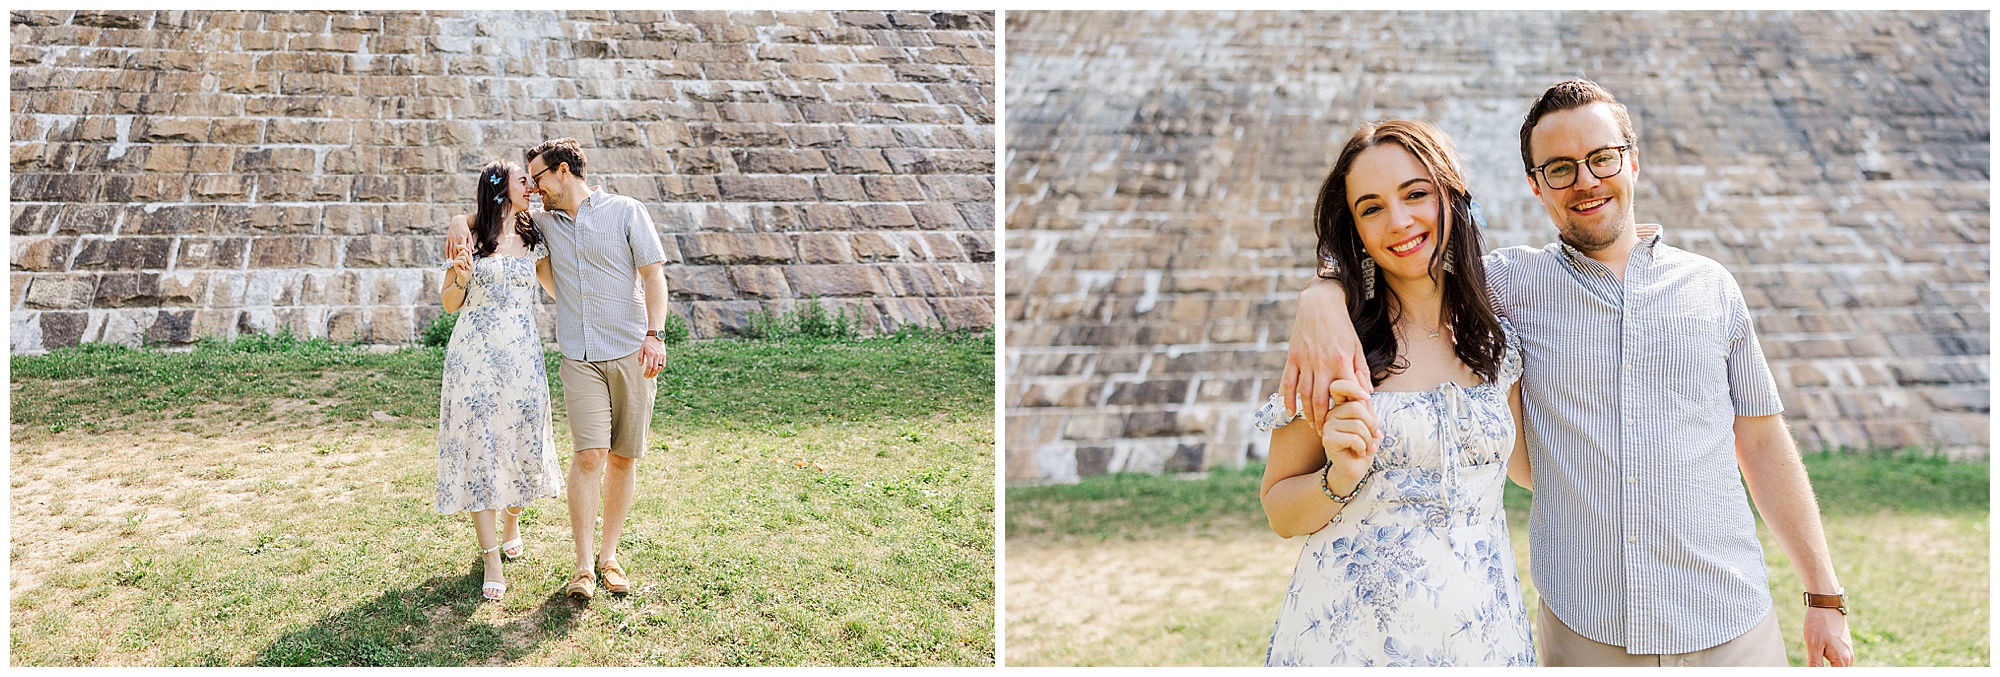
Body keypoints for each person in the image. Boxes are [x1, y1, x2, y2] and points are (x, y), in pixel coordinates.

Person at [1278, 79, 1855, 667]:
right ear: (1535, 185)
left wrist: (1823, 594)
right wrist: (1321, 294)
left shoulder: (1713, 289)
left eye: (1602, 158)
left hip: (1730, 619)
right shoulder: (1503, 290)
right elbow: (1408, 269)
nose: (1585, 180)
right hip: (1585, 628)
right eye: (1559, 168)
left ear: (1633, 160)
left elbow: (1762, 442)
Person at [1257, 119, 1534, 666]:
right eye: (1372, 207)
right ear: (1355, 229)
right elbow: (1279, 510)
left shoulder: (1497, 342)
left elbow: (1533, 469)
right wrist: (1338, 477)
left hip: (1485, 638)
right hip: (1351, 642)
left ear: (1450, 196)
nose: (1400, 220)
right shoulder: (1334, 346)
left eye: (1415, 194)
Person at [449, 138, 671, 600]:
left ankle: (609, 556)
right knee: (589, 456)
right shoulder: (541, 223)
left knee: (624, 457)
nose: (533, 187)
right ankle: (584, 567)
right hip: (576, 356)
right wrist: (457, 222)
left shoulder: (622, 212)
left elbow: (654, 275)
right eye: (525, 180)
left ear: (564, 171)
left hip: (630, 349)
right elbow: (486, 221)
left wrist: (655, 333)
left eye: (539, 177)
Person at [436, 159, 563, 602]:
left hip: (523, 355)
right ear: (498, 188)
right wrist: (462, 276)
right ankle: (490, 557)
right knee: (480, 450)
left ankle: (512, 520)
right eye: (522, 181)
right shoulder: (469, 236)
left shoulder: (534, 235)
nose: (530, 186)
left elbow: (553, 287)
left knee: (523, 443)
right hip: (473, 356)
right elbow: (450, 302)